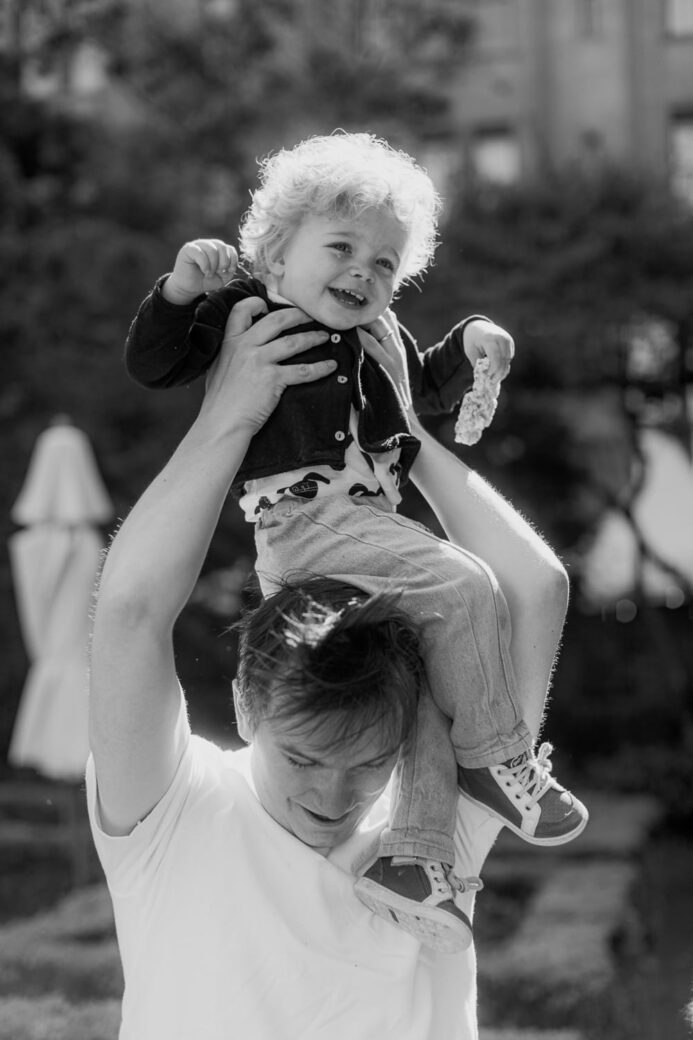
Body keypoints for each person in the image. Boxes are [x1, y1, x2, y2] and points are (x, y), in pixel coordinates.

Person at [122, 131, 587, 952]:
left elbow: (431, 389)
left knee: (416, 694)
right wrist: (176, 290)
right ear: (273, 252)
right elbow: (157, 364)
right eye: (341, 248)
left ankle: (415, 862)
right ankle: (498, 752)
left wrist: (475, 339)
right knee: (464, 585)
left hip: (366, 536)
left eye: (384, 264)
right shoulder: (247, 314)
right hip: (303, 525)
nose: (363, 274)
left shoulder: (381, 341)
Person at [89, 299, 572, 1039]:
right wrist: (230, 419)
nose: (336, 793)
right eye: (305, 754)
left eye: (371, 761)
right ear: (245, 709)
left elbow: (536, 589)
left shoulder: (427, 822)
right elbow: (129, 611)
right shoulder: (173, 810)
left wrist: (403, 431)